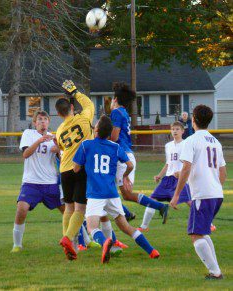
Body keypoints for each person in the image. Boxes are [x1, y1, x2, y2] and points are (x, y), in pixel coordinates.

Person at [73, 115, 160, 263]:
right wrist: (124, 176)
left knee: (92, 227)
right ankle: (152, 250)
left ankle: (105, 242)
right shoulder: (115, 147)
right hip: (112, 193)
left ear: (97, 129)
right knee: (126, 227)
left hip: (95, 194)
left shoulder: (86, 145)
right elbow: (130, 165)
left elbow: (75, 169)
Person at [170, 105, 226, 280]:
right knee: (202, 232)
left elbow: (186, 167)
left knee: (195, 234)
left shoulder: (191, 141)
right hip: (217, 194)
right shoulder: (215, 142)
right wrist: (213, 184)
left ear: (193, 120)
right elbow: (222, 172)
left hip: (203, 194)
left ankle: (215, 272)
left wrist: (177, 195)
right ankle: (214, 269)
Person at [109, 83, 169, 221]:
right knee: (121, 193)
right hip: (127, 155)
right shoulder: (124, 112)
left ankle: (158, 207)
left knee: (114, 191)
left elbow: (114, 137)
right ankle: (150, 209)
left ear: (116, 99)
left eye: (113, 97)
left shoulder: (116, 112)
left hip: (122, 158)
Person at [11, 111, 64, 252]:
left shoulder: (55, 137)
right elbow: (26, 154)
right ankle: (17, 245)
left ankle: (85, 240)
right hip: (31, 182)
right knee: (21, 209)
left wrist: (58, 150)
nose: (42, 122)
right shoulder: (29, 134)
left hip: (50, 182)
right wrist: (40, 141)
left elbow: (63, 158)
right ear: (35, 123)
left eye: (45, 119)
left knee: (68, 211)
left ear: (48, 122)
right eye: (39, 119)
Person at [55, 80, 94, 260]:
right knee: (80, 209)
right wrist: (75, 91)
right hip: (81, 168)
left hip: (64, 169)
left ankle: (68, 245)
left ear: (58, 113)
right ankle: (68, 238)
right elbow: (89, 104)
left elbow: (62, 147)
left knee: (68, 207)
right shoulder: (84, 118)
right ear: (72, 107)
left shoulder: (59, 130)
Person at [138, 122, 191, 231]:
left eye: (177, 129)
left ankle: (208, 223)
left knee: (190, 202)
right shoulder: (168, 146)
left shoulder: (186, 144)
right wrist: (159, 175)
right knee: (152, 199)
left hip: (179, 179)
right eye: (173, 129)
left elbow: (189, 163)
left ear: (182, 131)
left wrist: (181, 172)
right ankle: (144, 226)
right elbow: (168, 164)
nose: (175, 131)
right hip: (167, 179)